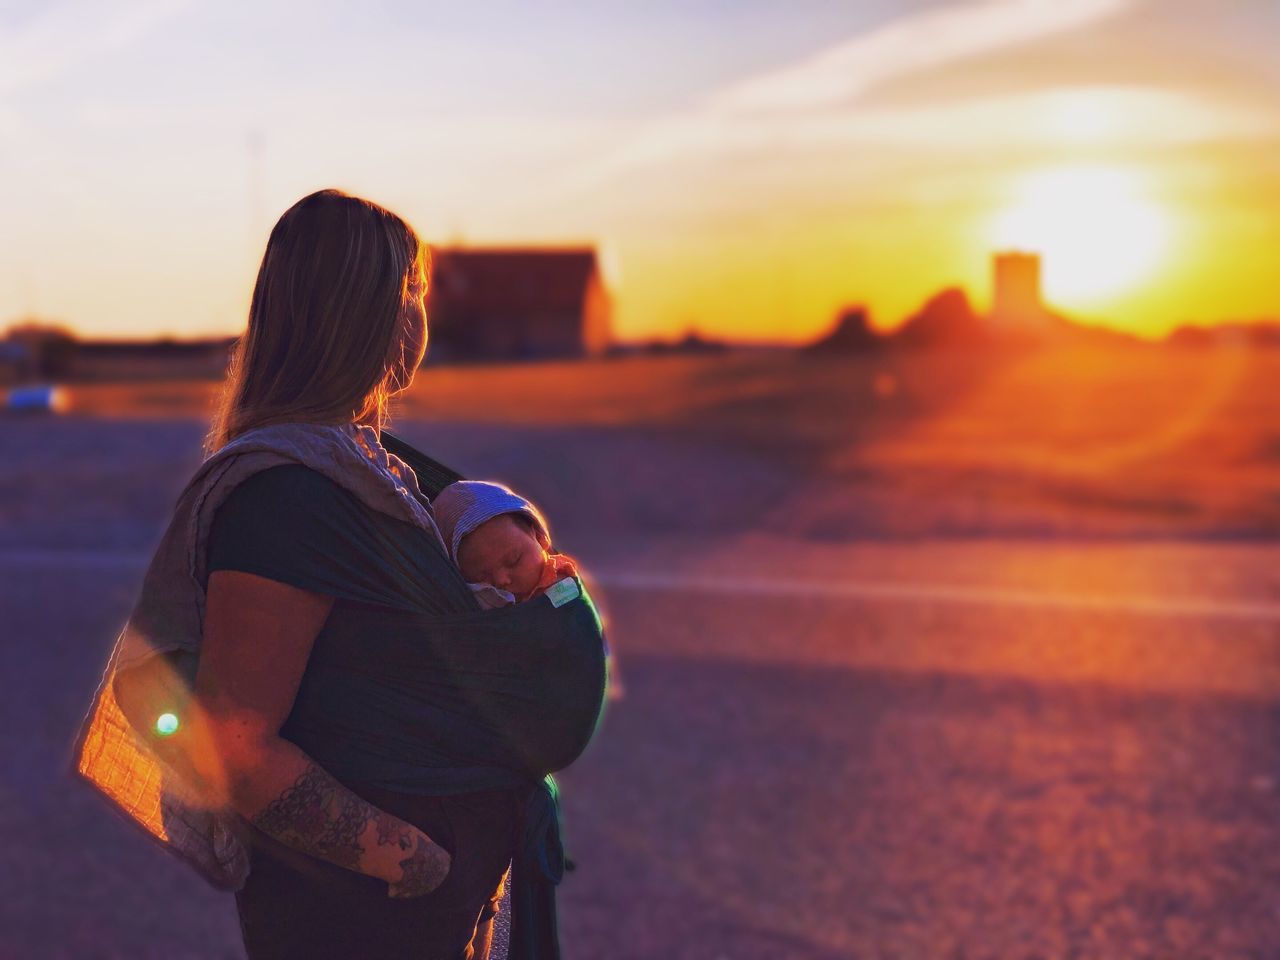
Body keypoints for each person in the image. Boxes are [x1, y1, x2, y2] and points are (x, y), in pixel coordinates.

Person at [72, 189, 610, 960]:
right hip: (363, 919)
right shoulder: (287, 497)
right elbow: (237, 744)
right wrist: (412, 860)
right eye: (411, 291)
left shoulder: (365, 466)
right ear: (366, 316)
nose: (423, 313)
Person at [431, 479, 581, 609]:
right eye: (482, 577)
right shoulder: (471, 611)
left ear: (539, 536)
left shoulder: (562, 580)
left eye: (514, 560)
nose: (501, 580)